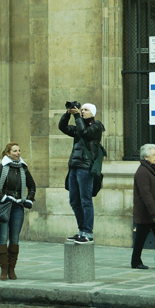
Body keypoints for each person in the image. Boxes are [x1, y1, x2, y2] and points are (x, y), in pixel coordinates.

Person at [0, 143, 36, 281]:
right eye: (15, 151)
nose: (18, 153)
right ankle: (4, 270)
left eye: (19, 150)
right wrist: (2, 197)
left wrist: (29, 199)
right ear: (8, 153)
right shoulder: (2, 167)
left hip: (17, 207)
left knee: (15, 238)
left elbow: (32, 185)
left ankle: (11, 269)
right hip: (3, 206)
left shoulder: (23, 168)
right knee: (2, 238)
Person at [58, 103, 105, 244]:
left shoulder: (97, 127)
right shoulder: (79, 127)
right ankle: (81, 230)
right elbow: (62, 127)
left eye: (86, 110)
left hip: (85, 168)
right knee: (74, 201)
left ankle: (88, 233)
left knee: (85, 201)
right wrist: (68, 114)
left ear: (92, 113)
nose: (83, 111)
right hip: (73, 167)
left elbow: (85, 133)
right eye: (82, 109)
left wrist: (76, 115)